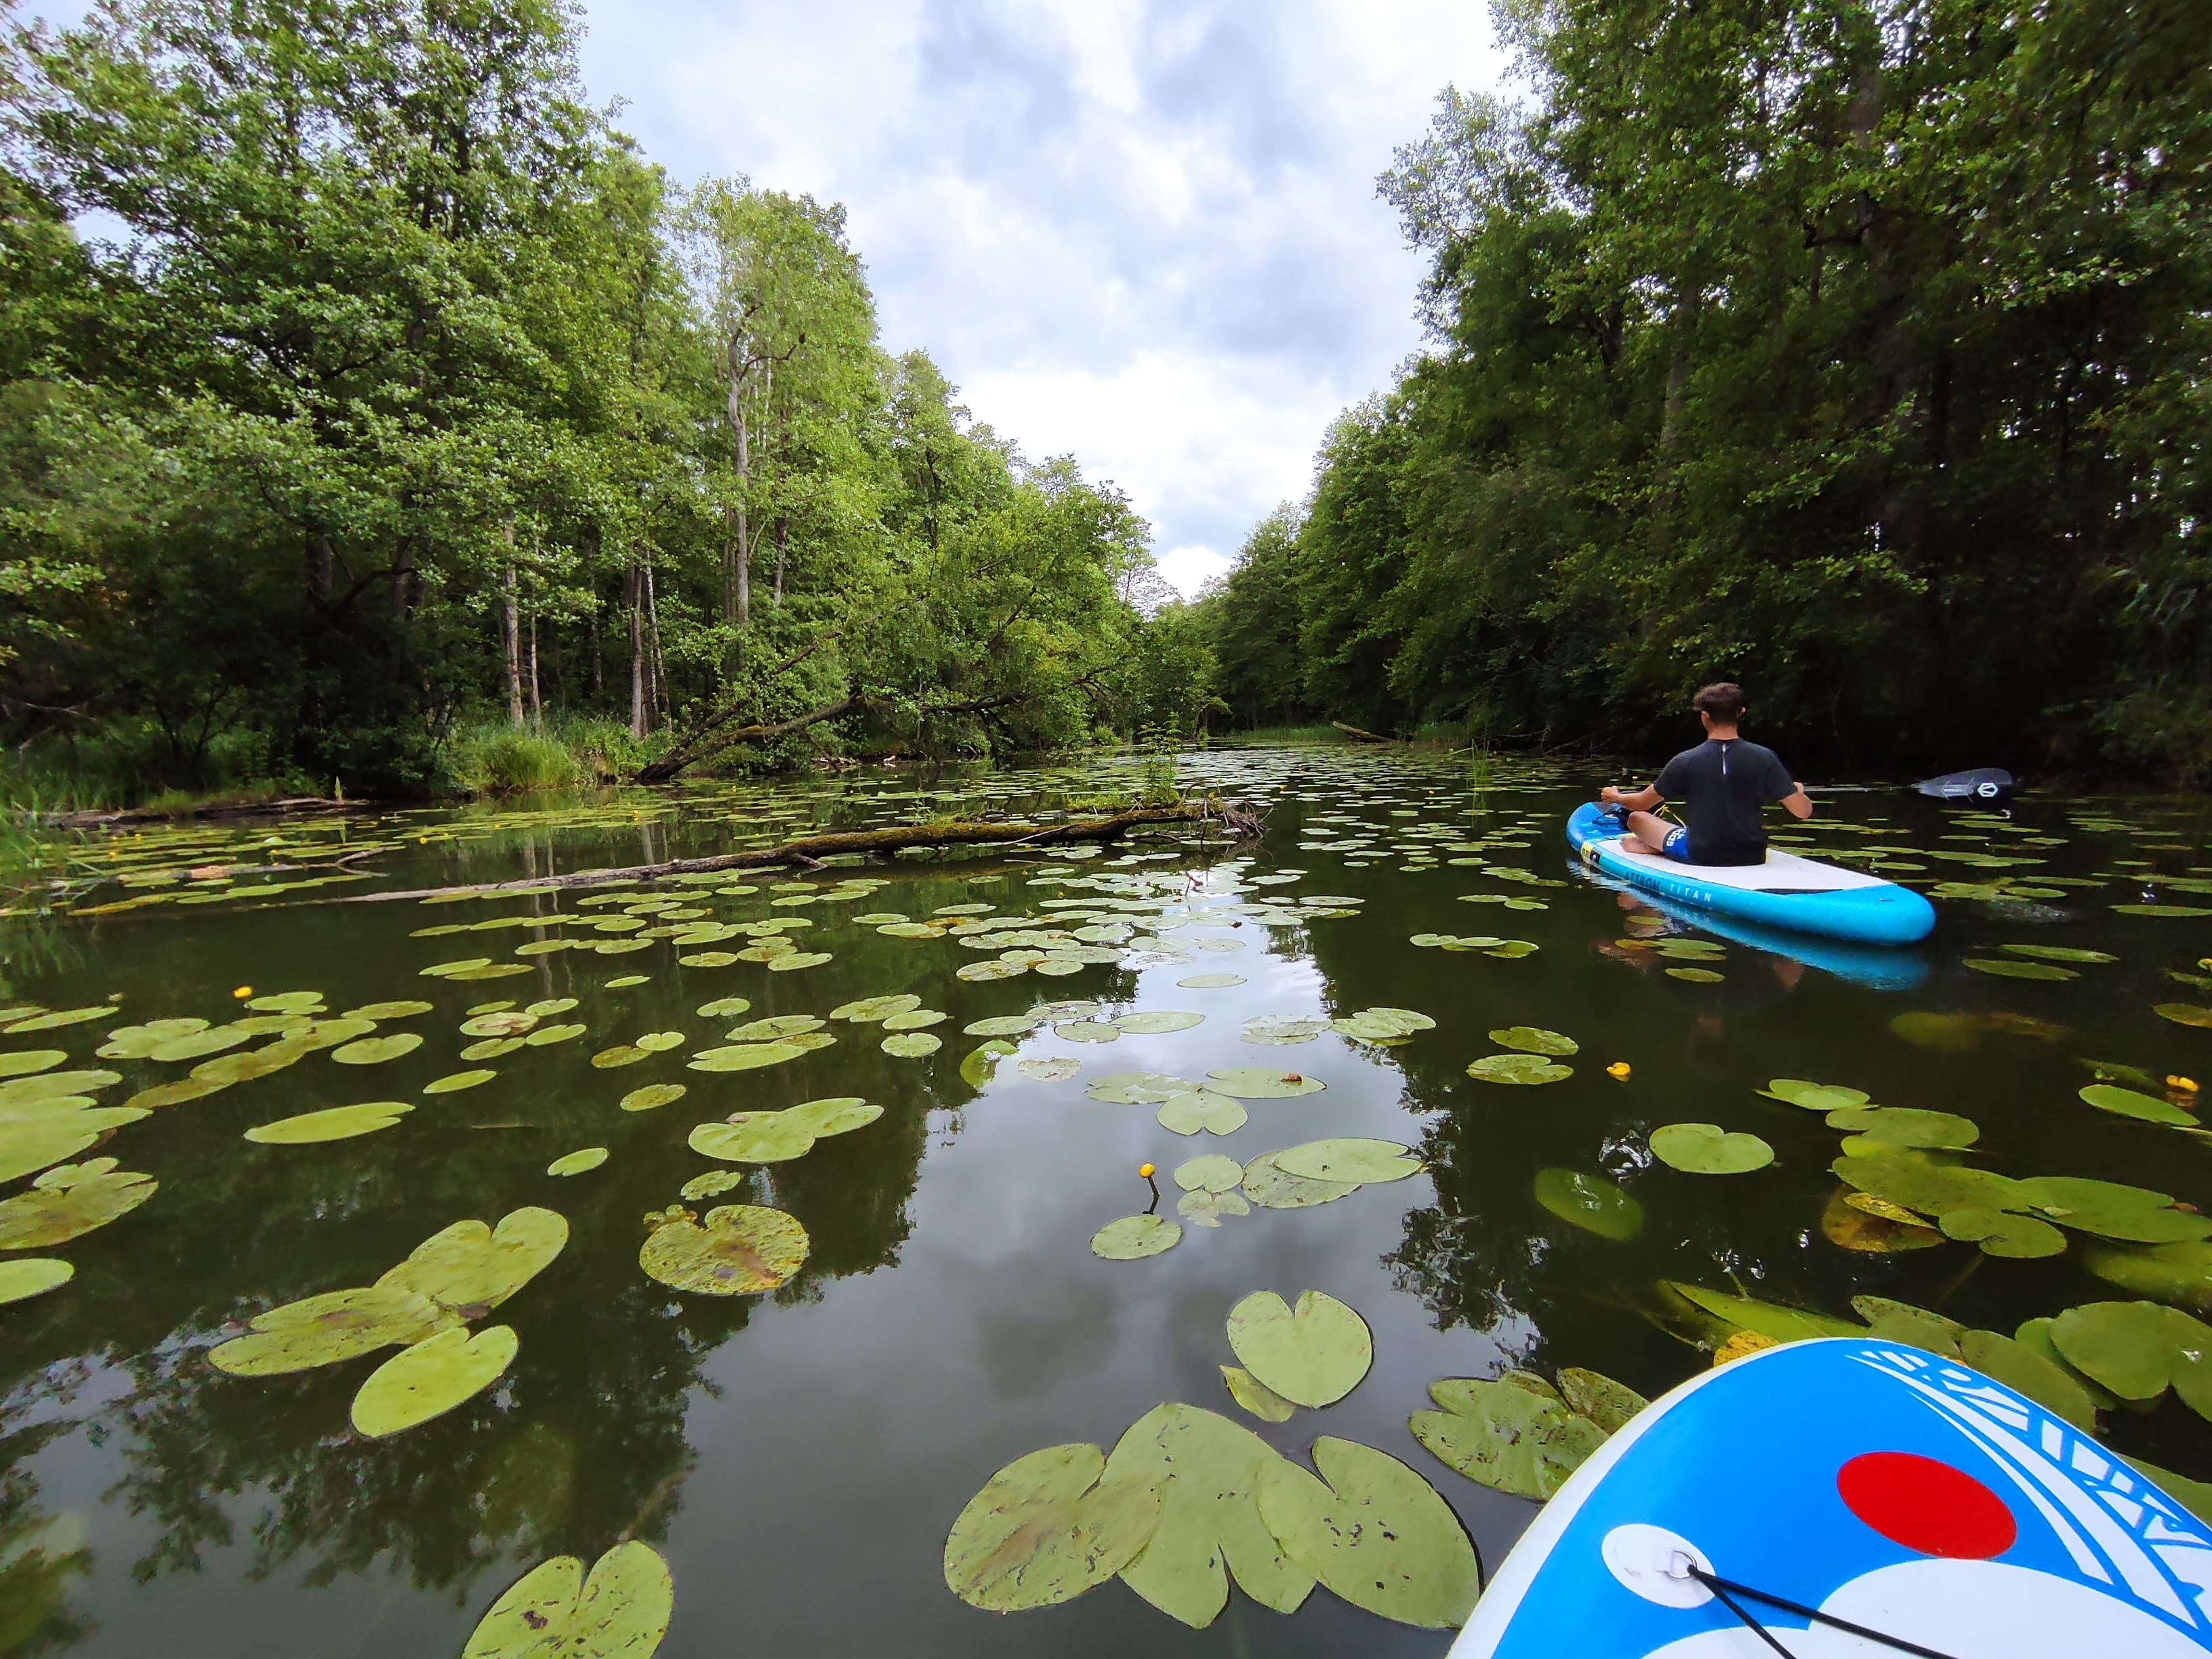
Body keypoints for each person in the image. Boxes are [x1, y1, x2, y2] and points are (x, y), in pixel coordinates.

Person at [1599, 683, 1813, 865]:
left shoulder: (1685, 760)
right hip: (1752, 856)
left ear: (1705, 716)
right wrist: (1795, 791)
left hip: (1702, 854)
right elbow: (1803, 812)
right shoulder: (1766, 757)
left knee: (1637, 819)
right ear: (1741, 713)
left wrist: (1615, 797)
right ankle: (1658, 847)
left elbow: (1641, 803)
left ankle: (1657, 848)